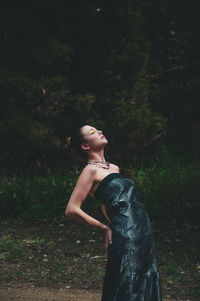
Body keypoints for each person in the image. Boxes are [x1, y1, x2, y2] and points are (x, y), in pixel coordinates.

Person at [65, 125, 162, 301]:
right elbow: (72, 209)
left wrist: (111, 219)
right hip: (126, 233)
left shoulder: (114, 168)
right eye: (93, 132)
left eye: (98, 129)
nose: (100, 131)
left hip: (143, 229)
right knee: (126, 282)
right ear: (85, 146)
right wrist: (105, 228)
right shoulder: (90, 170)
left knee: (145, 278)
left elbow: (108, 202)